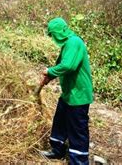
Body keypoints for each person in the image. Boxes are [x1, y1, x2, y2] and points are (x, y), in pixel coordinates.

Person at [39, 17, 94, 164]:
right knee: (60, 121)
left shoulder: (74, 42)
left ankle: (79, 161)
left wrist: (49, 71)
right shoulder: (67, 45)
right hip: (69, 93)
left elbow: (68, 66)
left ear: (59, 32)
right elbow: (61, 65)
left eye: (53, 34)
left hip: (79, 94)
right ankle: (57, 150)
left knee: (77, 129)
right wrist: (49, 76)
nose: (52, 38)